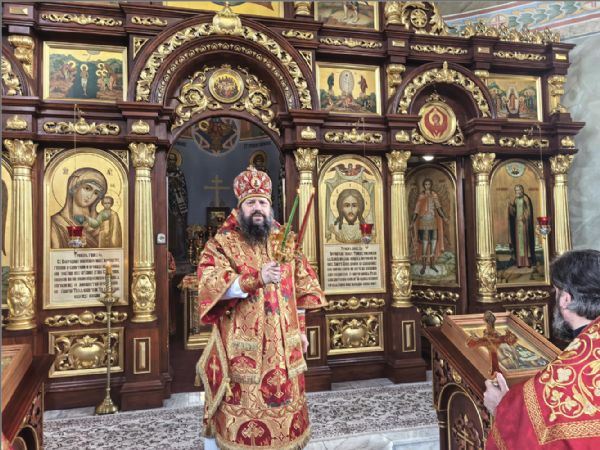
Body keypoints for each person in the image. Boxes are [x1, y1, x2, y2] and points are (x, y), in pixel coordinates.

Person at [196, 166, 327, 450]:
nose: (258, 208)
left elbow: (301, 290)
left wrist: (301, 331)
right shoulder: (222, 243)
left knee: (285, 416)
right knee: (242, 411)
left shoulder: (286, 241)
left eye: (262, 202)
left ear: (270, 207)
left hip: (284, 346)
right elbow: (209, 282)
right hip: (242, 349)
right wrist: (255, 279)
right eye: (251, 202)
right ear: (240, 208)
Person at [484, 249, 600, 449]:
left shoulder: (558, 382)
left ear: (565, 299)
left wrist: (501, 407)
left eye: (556, 291)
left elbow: (532, 439)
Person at [50, 167, 107, 248]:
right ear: (74, 187)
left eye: (96, 193)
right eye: (87, 188)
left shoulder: (101, 222)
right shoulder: (56, 223)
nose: (90, 196)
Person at [411, 178, 448, 275]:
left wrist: (444, 217)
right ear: (424, 185)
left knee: (434, 241)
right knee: (425, 242)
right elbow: (416, 210)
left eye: (429, 184)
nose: (427, 186)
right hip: (423, 222)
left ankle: (432, 264)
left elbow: (438, 207)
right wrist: (412, 221)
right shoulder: (421, 196)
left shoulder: (434, 195)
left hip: (433, 221)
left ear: (431, 185)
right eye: (426, 184)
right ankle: (423, 265)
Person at [167, 150, 188, 261]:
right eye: (169, 160)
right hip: (167, 207)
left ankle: (181, 253)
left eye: (173, 161)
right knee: (167, 231)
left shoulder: (180, 174)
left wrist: (175, 183)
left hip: (179, 208)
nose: (171, 163)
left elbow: (183, 190)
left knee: (180, 232)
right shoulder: (163, 173)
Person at [508, 184, 536, 268]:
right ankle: (520, 263)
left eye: (519, 190)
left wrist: (524, 217)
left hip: (524, 224)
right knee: (519, 243)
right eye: (516, 190)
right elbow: (514, 212)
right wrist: (510, 207)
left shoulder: (525, 198)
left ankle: (527, 262)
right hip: (517, 224)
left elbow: (528, 211)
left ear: (522, 190)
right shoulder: (516, 199)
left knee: (525, 242)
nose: (517, 192)